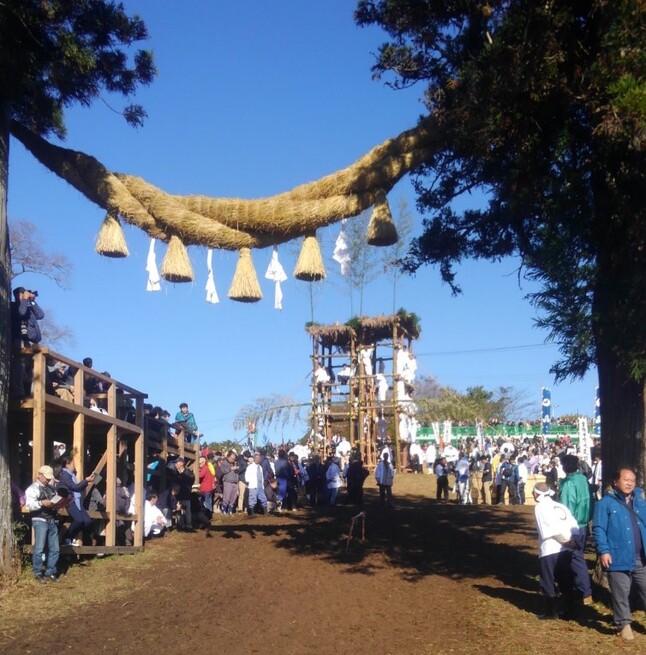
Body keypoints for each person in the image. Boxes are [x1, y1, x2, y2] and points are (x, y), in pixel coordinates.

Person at [593, 467, 646, 641]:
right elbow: (599, 529)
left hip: (641, 557)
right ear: (615, 482)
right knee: (620, 592)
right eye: (626, 479)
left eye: (632, 480)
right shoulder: (605, 504)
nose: (630, 483)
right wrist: (604, 551)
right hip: (617, 556)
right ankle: (624, 624)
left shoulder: (640, 501)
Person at [532, 482, 579, 620]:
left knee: (548, 579)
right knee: (565, 578)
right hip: (566, 549)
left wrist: (565, 541)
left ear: (535, 494)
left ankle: (551, 612)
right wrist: (572, 542)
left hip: (550, 549)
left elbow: (549, 529)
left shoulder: (540, 507)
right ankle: (569, 610)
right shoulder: (560, 505)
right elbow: (574, 526)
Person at [558, 454, 593, 606]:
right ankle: (578, 590)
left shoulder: (569, 484)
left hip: (573, 525)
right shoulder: (583, 479)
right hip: (584, 523)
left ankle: (585, 592)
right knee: (576, 557)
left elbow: (567, 507)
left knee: (575, 558)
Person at [24, 465, 61, 581]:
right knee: (39, 548)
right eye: (46, 477)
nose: (48, 480)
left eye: (49, 478)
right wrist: (41, 503)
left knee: (55, 548)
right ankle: (37, 572)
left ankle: (51, 571)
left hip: (51, 519)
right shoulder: (32, 489)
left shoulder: (51, 488)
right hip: (39, 520)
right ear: (39, 475)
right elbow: (29, 505)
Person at [58, 456, 96, 545]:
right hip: (69, 500)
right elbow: (75, 487)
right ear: (67, 464)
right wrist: (86, 481)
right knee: (79, 520)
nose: (74, 465)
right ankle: (66, 538)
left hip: (77, 500)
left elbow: (78, 486)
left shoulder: (72, 474)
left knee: (87, 521)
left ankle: (71, 538)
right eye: (73, 463)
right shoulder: (65, 475)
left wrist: (87, 481)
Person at [172, 457, 195, 530]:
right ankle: (181, 525)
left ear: (181, 463)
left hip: (186, 494)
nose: (175, 464)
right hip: (178, 494)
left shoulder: (188, 472)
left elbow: (191, 480)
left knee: (187, 510)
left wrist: (181, 475)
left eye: (177, 462)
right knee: (179, 510)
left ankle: (189, 525)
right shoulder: (175, 473)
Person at [219, 450, 239, 514]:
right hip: (228, 481)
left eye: (234, 459)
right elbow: (223, 471)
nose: (233, 460)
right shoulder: (224, 463)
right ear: (229, 457)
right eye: (232, 459)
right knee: (227, 497)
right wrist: (231, 468)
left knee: (233, 497)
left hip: (235, 482)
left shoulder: (235, 463)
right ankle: (223, 510)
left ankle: (230, 510)